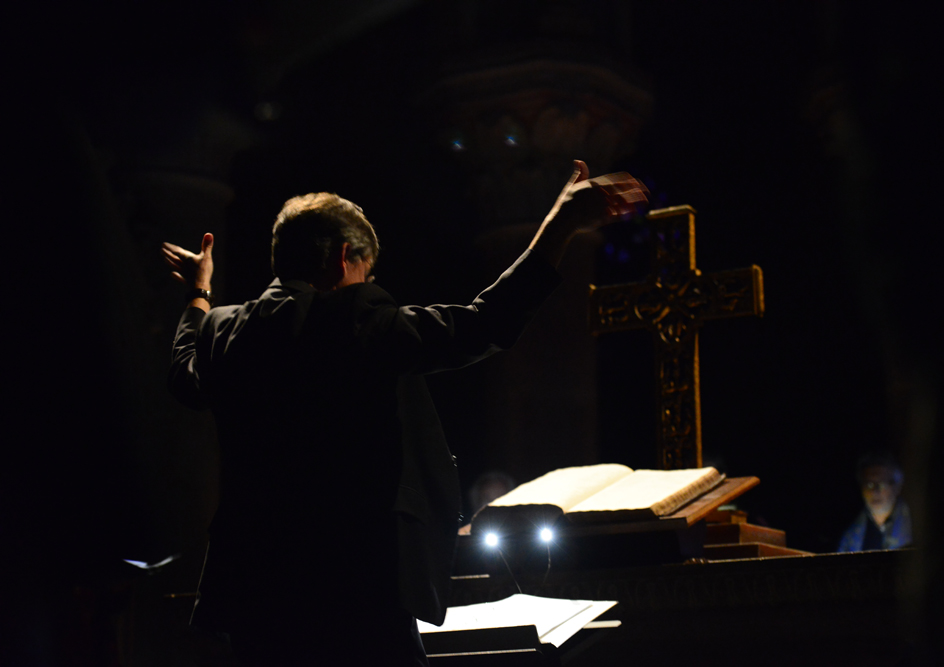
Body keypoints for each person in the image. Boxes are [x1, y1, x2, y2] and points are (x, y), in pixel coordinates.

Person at [162, 160, 647, 665]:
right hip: (355, 586)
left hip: (254, 590)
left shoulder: (225, 331)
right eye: (363, 274)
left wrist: (199, 293)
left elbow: (184, 377)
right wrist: (560, 222)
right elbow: (487, 323)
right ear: (344, 257)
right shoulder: (354, 323)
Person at [837, 451, 912, 552]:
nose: (875, 491)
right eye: (869, 485)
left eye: (881, 484)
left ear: (897, 487)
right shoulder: (851, 536)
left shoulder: (917, 527)